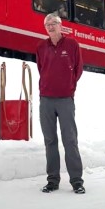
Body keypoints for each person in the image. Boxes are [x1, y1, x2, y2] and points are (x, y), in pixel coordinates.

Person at [36, 13, 85, 194]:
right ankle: (53, 180)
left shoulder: (72, 45)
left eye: (54, 23)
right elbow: (41, 68)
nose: (50, 26)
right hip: (46, 100)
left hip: (65, 100)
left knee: (70, 140)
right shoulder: (41, 47)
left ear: (61, 26)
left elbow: (78, 69)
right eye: (47, 24)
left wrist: (69, 86)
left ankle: (76, 181)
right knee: (50, 141)